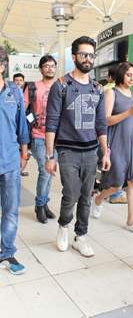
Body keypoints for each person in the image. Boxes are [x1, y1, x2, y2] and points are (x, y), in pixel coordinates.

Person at [45, 36, 110, 257]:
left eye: (91, 55)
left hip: (91, 152)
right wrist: (49, 156)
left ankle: (80, 236)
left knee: (86, 196)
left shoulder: (98, 89)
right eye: (83, 54)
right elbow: (51, 122)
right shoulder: (61, 86)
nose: (88, 59)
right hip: (67, 151)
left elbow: (102, 125)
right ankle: (64, 227)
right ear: (74, 57)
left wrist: (105, 152)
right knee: (71, 193)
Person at [92, 62, 133, 236]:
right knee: (116, 185)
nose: (132, 78)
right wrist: (129, 113)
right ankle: (99, 199)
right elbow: (106, 120)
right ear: (122, 74)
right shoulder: (111, 93)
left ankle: (131, 222)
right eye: (129, 74)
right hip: (116, 143)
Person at [0, 47, 29, 274]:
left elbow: (22, 125)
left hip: (9, 161)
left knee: (10, 210)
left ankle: (7, 251)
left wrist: (24, 151)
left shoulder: (14, 92)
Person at [24, 55, 57, 224]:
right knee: (45, 170)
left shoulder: (60, 87)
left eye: (52, 66)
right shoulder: (33, 87)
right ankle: (39, 205)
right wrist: (32, 122)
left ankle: (44, 204)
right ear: (41, 69)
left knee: (50, 172)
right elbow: (24, 111)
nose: (50, 68)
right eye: (46, 66)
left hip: (56, 137)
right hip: (38, 136)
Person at [104, 65, 127, 204]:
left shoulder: (105, 88)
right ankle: (114, 193)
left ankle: (108, 191)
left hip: (106, 133)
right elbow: (107, 117)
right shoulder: (111, 91)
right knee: (115, 164)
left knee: (110, 163)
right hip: (113, 132)